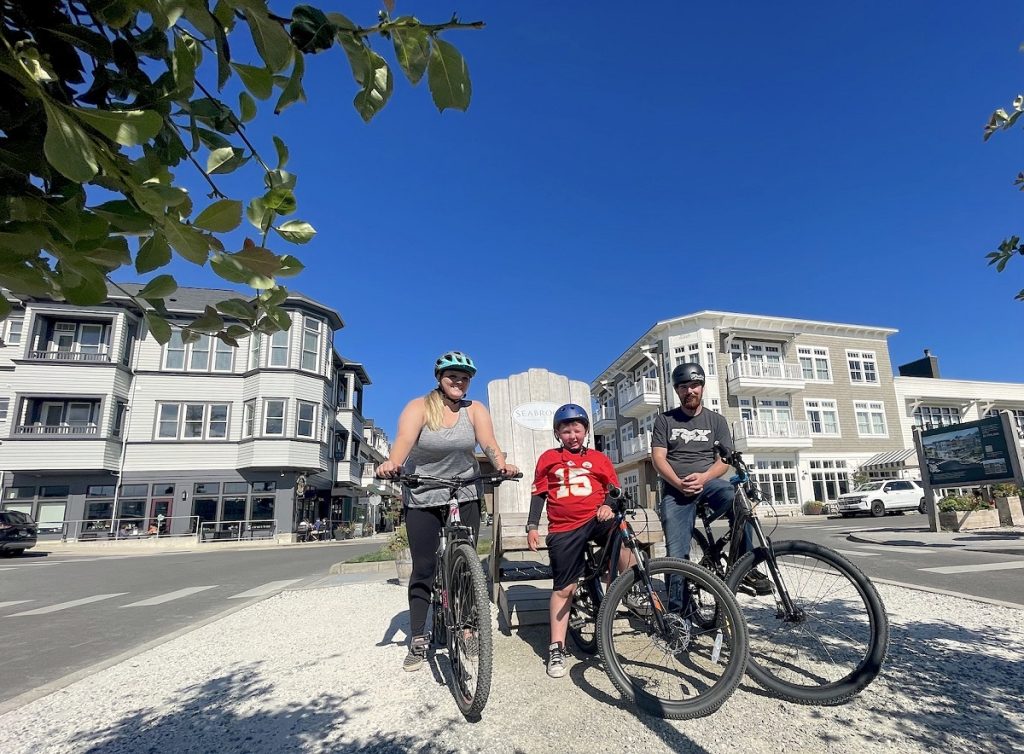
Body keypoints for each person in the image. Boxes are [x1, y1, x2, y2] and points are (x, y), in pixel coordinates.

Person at [377, 350, 519, 672]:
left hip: (464, 490)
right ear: (440, 379)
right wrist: (393, 464)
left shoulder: (475, 410)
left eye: (464, 378)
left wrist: (501, 465)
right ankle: (417, 637)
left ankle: (468, 627)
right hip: (423, 491)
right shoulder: (419, 407)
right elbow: (402, 440)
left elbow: (488, 443)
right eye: (453, 376)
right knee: (424, 566)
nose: (459, 382)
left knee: (466, 565)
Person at [527, 403, 636, 679]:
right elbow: (539, 494)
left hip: (595, 519)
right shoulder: (548, 458)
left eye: (577, 429)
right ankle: (556, 647)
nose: (572, 435)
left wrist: (609, 505)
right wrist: (532, 526)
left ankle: (630, 588)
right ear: (557, 433)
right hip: (564, 527)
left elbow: (614, 490)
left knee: (623, 532)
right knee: (565, 588)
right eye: (566, 431)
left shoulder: (599, 459)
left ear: (586, 431)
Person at [651, 361, 772, 607]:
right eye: (683, 386)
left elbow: (724, 462)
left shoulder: (716, 421)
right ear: (677, 390)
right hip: (676, 490)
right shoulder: (664, 421)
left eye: (694, 385)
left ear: (702, 387)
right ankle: (678, 613)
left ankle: (743, 565)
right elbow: (658, 458)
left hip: (710, 484)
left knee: (740, 501)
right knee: (676, 553)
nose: (690, 391)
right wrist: (678, 482)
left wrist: (704, 477)